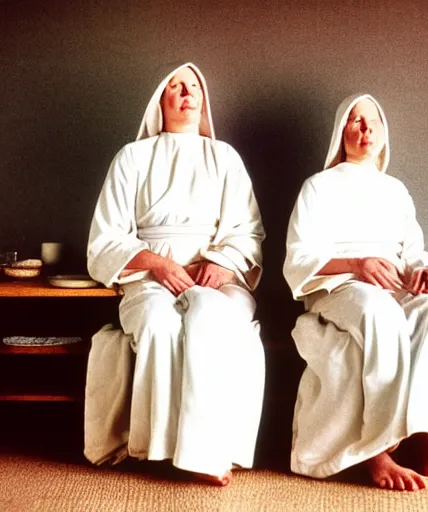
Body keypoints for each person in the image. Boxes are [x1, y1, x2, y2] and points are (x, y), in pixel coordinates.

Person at [283, 93, 428, 491]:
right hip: (339, 291)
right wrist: (357, 265)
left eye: (372, 120)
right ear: (342, 133)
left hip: (393, 290)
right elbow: (299, 258)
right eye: (355, 121)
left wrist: (422, 271)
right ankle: (376, 452)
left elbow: (413, 252)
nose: (365, 127)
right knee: (378, 311)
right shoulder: (318, 187)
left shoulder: (395, 190)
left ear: (383, 132)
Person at [84, 63, 266, 487]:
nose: (186, 94)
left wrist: (220, 264)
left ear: (203, 101)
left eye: (194, 88)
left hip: (213, 274)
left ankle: (204, 450)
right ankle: (161, 448)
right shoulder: (132, 156)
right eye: (175, 87)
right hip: (148, 275)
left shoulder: (224, 158)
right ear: (160, 101)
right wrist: (157, 264)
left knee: (210, 317)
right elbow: (106, 235)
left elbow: (248, 230)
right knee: (157, 324)